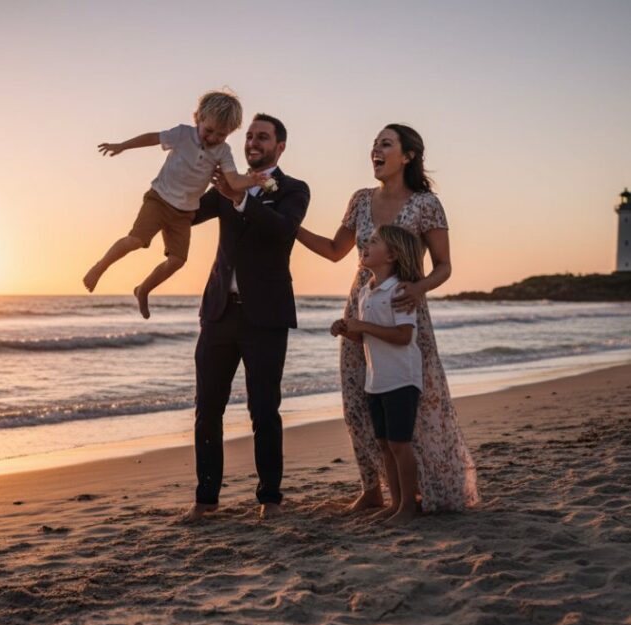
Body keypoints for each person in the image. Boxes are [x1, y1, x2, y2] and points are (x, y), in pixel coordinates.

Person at [297, 123, 478, 514]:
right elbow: (333, 250)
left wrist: (419, 288)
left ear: (407, 156)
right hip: (359, 307)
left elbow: (444, 265)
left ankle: (418, 493)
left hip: (404, 307)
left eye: (385, 144)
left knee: (416, 403)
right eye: (374, 144)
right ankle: (372, 488)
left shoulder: (426, 203)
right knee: (358, 400)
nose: (375, 150)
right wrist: (289, 227)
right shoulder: (361, 199)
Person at [182, 113, 310, 522]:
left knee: (264, 410)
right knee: (207, 409)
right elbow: (186, 212)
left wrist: (240, 198)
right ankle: (205, 500)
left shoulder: (294, 190)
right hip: (218, 312)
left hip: (266, 317)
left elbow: (281, 231)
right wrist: (183, 174)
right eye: (250, 136)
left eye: (263, 137)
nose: (253, 142)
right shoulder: (225, 184)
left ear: (280, 146)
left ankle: (270, 498)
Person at [83, 90, 267, 319]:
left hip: (185, 213)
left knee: (177, 260)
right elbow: (152, 138)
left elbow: (233, 180)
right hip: (159, 199)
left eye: (221, 135)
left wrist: (253, 180)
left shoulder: (223, 152)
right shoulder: (182, 134)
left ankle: (143, 289)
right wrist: (122, 145)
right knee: (136, 240)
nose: (212, 138)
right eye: (208, 131)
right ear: (198, 118)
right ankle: (100, 267)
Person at [333, 226, 424, 525]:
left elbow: (403, 336)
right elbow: (366, 338)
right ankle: (396, 503)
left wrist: (364, 327)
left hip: (401, 378)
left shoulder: (399, 290)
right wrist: (348, 330)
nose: (364, 245)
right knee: (384, 444)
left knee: (400, 444)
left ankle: (409, 505)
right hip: (376, 380)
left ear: (392, 255)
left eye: (373, 241)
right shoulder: (365, 291)